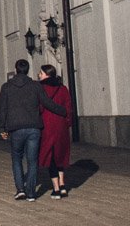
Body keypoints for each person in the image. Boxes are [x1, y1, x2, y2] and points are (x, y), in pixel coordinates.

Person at [0, 58, 68, 202]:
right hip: (34, 128)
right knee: (32, 160)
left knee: (16, 159)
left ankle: (20, 190)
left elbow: (2, 109)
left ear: (16, 69)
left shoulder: (6, 87)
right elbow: (47, 102)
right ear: (28, 70)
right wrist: (62, 111)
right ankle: (31, 193)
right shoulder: (36, 86)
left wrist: (2, 128)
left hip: (15, 128)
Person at [38, 65, 74, 199]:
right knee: (61, 155)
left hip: (47, 126)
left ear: (47, 74)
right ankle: (63, 184)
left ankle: (56, 188)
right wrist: (67, 123)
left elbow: (40, 107)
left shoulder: (41, 89)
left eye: (41, 72)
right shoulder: (63, 88)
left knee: (50, 157)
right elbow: (69, 107)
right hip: (61, 126)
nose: (39, 74)